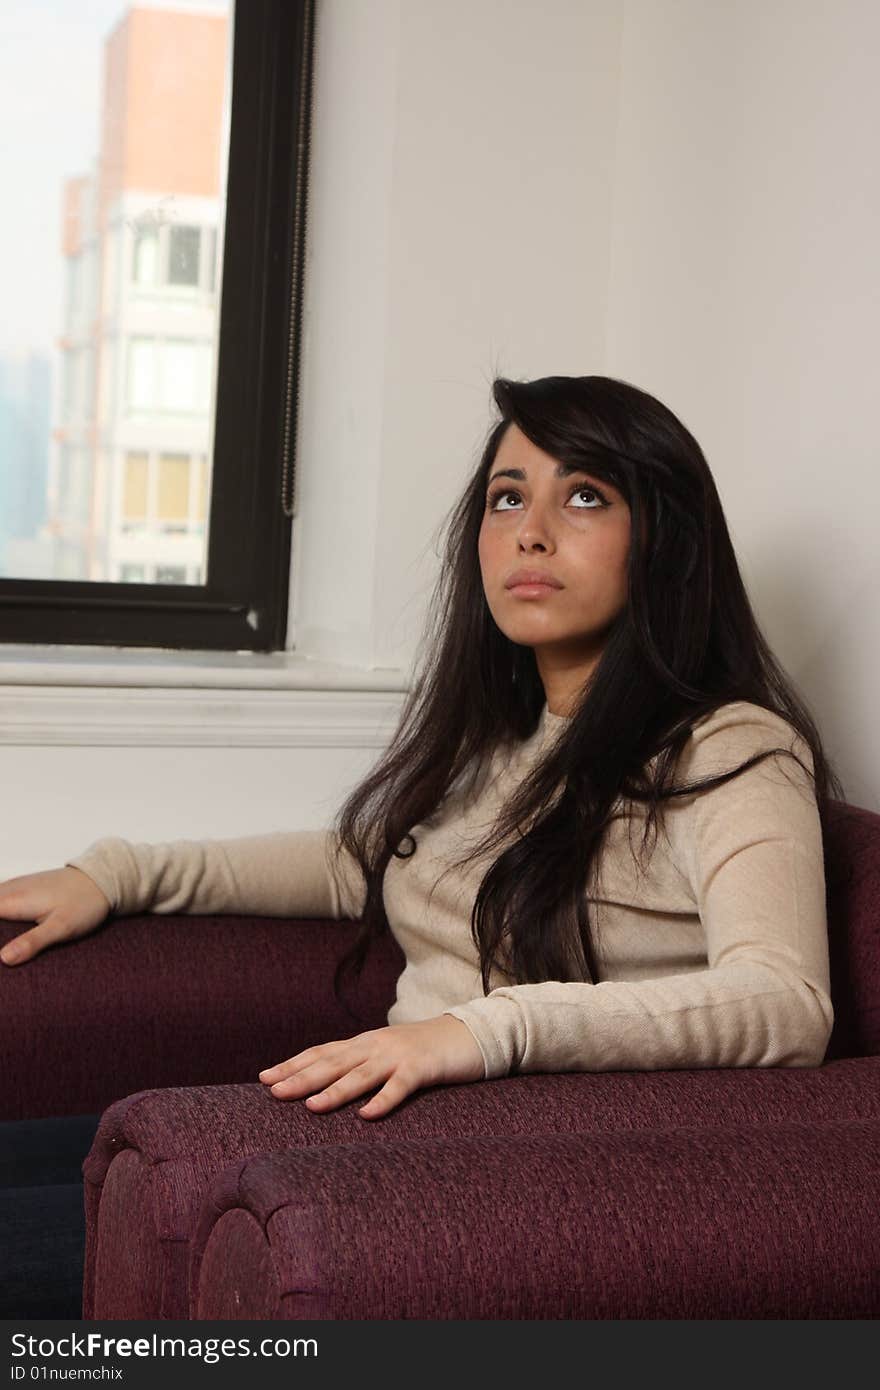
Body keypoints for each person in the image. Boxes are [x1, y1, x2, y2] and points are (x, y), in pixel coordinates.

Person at [1, 373, 845, 1142]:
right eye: (507, 500)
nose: (532, 535)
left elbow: (786, 1001)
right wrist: (118, 875)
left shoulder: (732, 749)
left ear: (667, 541)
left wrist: (482, 1032)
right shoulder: (504, 739)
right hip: (383, 1117)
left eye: (585, 497)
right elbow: (364, 864)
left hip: (505, 1152)